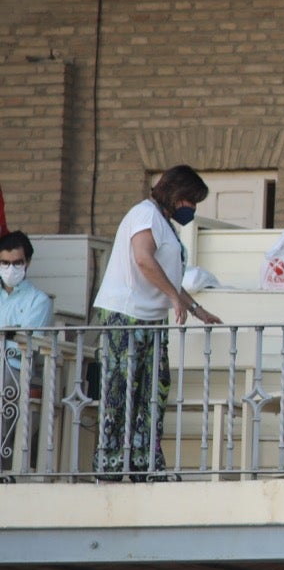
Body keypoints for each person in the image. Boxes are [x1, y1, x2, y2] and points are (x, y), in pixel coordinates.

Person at [92, 166, 222, 476]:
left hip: (151, 321)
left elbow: (169, 279)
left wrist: (194, 308)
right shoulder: (145, 214)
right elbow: (143, 259)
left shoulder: (165, 224)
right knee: (121, 391)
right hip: (127, 316)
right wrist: (175, 299)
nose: (192, 209)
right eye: (191, 201)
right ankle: (111, 462)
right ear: (178, 196)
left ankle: (142, 461)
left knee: (153, 390)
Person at [1, 231, 54, 469]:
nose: (10, 268)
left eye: (17, 263)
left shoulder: (38, 300)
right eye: (4, 263)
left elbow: (29, 343)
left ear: (27, 263)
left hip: (13, 370)